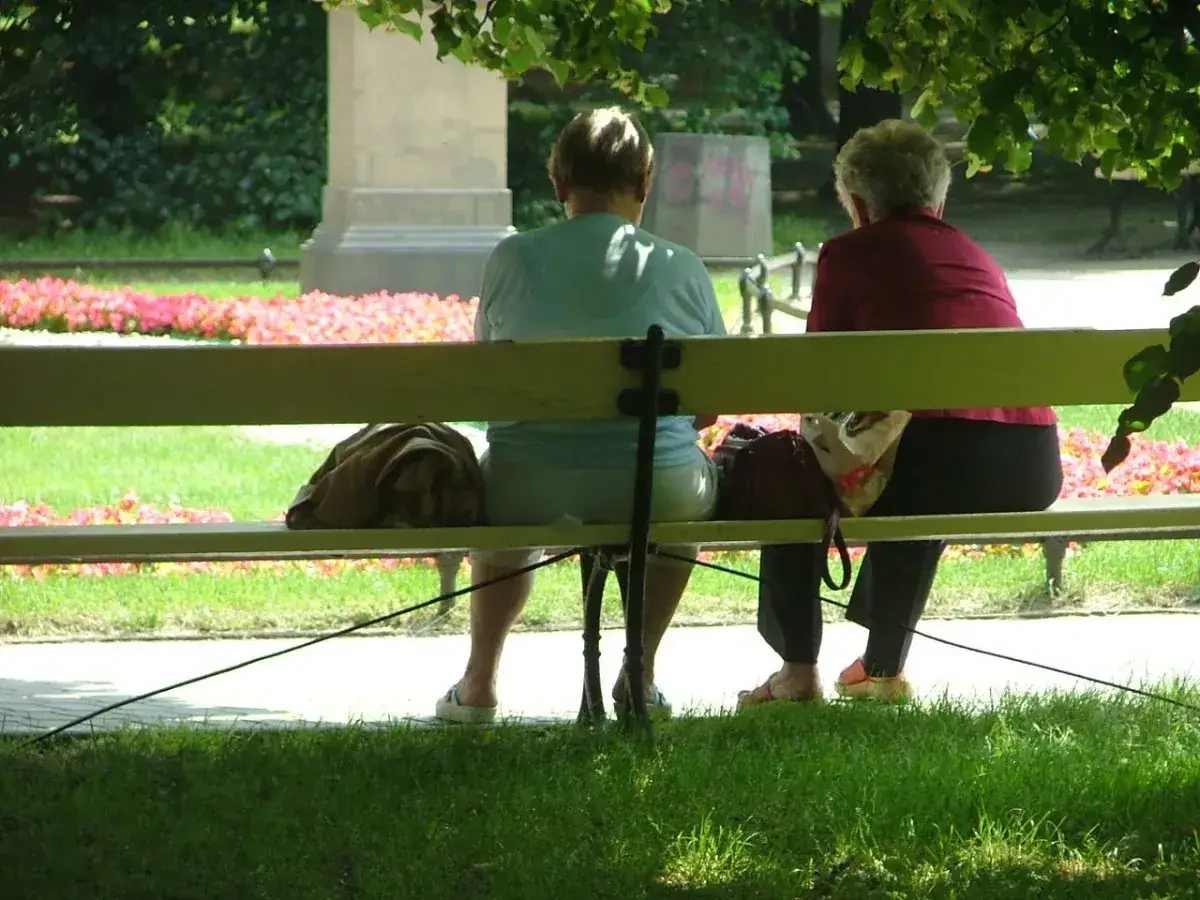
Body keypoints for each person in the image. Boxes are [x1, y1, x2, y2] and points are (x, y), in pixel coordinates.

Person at [737, 119, 1063, 706]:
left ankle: (797, 668)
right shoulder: (976, 255)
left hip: (934, 463)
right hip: (1031, 466)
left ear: (857, 203)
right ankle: (881, 668)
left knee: (791, 476)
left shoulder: (848, 251)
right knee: (921, 465)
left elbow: (818, 372)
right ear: (938, 198)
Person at [435, 107, 725, 724]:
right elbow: (708, 407)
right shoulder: (681, 267)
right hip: (660, 486)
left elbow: (490, 388)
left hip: (528, 487)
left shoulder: (511, 260)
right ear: (644, 186)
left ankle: (480, 683)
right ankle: (637, 677)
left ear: (559, 185)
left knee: (504, 483)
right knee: (678, 493)